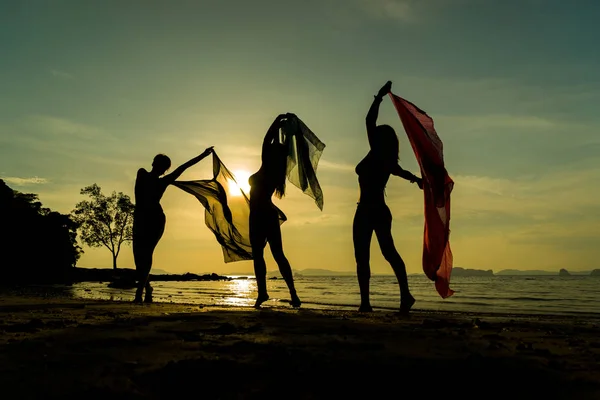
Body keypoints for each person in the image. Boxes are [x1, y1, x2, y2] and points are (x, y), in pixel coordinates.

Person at [354, 81, 423, 314]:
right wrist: (416, 180)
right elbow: (401, 172)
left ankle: (381, 300)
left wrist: (378, 97)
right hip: (374, 210)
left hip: (368, 210)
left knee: (374, 255)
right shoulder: (385, 160)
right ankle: (398, 297)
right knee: (383, 253)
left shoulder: (378, 155)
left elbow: (368, 121)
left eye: (377, 134)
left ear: (381, 140)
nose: (373, 134)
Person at [133, 147, 213, 303]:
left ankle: (139, 293)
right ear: (153, 163)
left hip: (155, 219)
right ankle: (148, 288)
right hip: (140, 218)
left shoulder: (164, 181)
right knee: (138, 256)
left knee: (147, 253)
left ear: (164, 170)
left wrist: (203, 155)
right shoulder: (141, 173)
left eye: (162, 166)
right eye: (158, 164)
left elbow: (184, 167)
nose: (159, 168)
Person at [248, 113, 301, 308]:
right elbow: (281, 143)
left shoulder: (267, 166)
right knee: (276, 254)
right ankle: (289, 294)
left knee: (263, 255)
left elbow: (266, 139)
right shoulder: (278, 169)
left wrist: (277, 120)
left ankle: (265, 293)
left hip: (259, 216)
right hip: (265, 214)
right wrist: (285, 129)